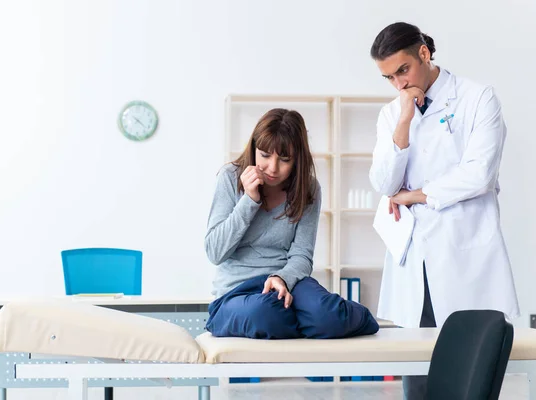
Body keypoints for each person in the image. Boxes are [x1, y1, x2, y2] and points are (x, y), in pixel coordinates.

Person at [369, 22, 520, 399]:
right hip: (416, 260)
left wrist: (416, 195)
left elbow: (479, 174)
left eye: (403, 71)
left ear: (424, 53)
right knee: (417, 376)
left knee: (473, 377)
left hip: (466, 253)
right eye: (389, 78)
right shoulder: (392, 114)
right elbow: (385, 184)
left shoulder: (477, 97)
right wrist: (404, 120)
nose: (399, 84)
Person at [204, 108, 379, 340]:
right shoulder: (229, 176)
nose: (273, 168)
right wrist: (249, 200)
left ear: (298, 159)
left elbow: (302, 255)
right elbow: (215, 252)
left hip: (288, 281)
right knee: (265, 314)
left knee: (329, 314)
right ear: (254, 148)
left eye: (284, 159)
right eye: (265, 155)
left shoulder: (309, 189)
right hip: (236, 291)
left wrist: (282, 278)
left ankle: (320, 318)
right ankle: (298, 320)